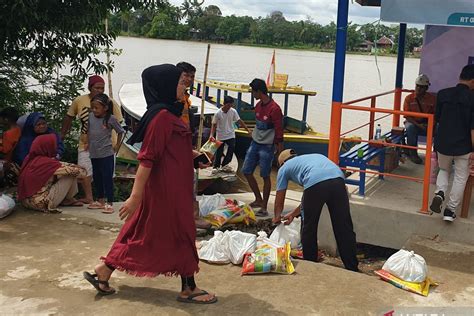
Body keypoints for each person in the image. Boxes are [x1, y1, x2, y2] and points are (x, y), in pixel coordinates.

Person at [83, 64, 216, 304]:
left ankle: (104, 270)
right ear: (165, 86)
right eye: (179, 82)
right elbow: (147, 159)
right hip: (167, 191)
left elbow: (170, 151)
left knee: (145, 232)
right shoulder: (162, 118)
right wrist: (135, 197)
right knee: (177, 234)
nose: (183, 86)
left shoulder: (167, 113)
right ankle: (189, 288)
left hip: (173, 187)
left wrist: (194, 157)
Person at [272, 149, 359, 272]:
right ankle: (352, 266)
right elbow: (308, 200)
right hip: (338, 180)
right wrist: (293, 214)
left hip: (315, 183)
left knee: (309, 226)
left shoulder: (284, 169)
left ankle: (310, 263)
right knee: (344, 226)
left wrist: (277, 217)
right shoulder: (311, 158)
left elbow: (279, 202)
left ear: (282, 163)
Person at [61, 75, 123, 204]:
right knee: (84, 171)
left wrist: (116, 145)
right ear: (90, 87)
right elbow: (69, 117)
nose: (100, 90)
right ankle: (90, 197)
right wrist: (62, 136)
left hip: (107, 145)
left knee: (106, 174)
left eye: (102, 88)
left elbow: (119, 123)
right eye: (97, 88)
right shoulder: (79, 101)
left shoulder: (110, 102)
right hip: (87, 143)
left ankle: (107, 200)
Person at [430, 65, 474, 222]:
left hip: (443, 143)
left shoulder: (443, 94)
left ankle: (440, 193)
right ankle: (450, 211)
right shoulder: (472, 98)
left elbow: (438, 119)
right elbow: (473, 128)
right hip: (464, 146)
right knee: (461, 177)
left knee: (444, 169)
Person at [242, 78, 284, 216]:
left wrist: (279, 148)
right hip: (255, 143)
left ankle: (264, 207)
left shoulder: (275, 109)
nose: (252, 94)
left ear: (259, 91)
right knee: (246, 171)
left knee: (265, 175)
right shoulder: (259, 106)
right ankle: (258, 199)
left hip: (267, 146)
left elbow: (279, 130)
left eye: (253, 92)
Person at [17, 134, 86, 212]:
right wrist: (77, 169)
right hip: (42, 203)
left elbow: (58, 166)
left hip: (26, 202)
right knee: (70, 175)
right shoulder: (46, 163)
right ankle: (68, 199)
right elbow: (81, 173)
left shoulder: (30, 159)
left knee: (62, 173)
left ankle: (66, 199)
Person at [86, 93, 125, 214]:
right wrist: (88, 142)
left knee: (107, 177)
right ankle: (100, 200)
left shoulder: (111, 118)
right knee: (97, 176)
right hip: (94, 152)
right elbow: (89, 130)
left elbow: (120, 131)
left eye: (96, 108)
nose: (94, 110)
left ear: (105, 108)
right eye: (92, 107)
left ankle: (110, 202)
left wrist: (117, 145)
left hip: (106, 153)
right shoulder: (90, 117)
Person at [210, 95, 250, 174]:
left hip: (230, 134)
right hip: (220, 135)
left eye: (231, 105)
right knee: (219, 152)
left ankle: (225, 164)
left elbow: (239, 121)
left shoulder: (233, 111)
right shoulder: (218, 113)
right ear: (224, 104)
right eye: (228, 105)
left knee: (231, 149)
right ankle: (216, 167)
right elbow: (214, 124)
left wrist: (247, 129)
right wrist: (211, 135)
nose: (229, 107)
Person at [402, 74, 436, 164]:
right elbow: (407, 115)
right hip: (413, 123)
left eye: (421, 87)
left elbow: (436, 115)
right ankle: (413, 153)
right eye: (417, 86)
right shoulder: (409, 98)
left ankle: (436, 153)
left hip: (428, 124)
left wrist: (430, 124)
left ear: (426, 88)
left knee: (440, 128)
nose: (418, 89)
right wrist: (419, 125)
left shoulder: (432, 99)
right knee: (410, 127)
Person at [176, 61, 196, 130]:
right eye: (186, 75)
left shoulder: (186, 96)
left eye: (192, 76)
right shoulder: (173, 95)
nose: (190, 79)